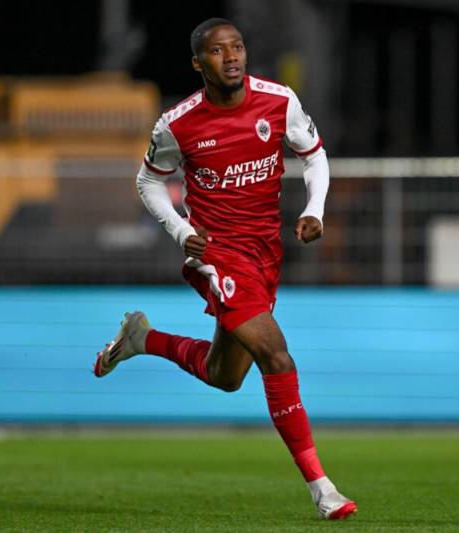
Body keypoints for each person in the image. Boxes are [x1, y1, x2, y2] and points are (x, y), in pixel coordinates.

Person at [94, 18, 357, 520]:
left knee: (225, 376)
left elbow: (314, 155)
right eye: (218, 51)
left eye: (237, 47)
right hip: (216, 255)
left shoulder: (279, 101)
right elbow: (148, 182)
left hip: (263, 255)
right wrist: (180, 231)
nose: (231, 56)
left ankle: (143, 339)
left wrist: (314, 209)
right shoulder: (178, 123)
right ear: (199, 63)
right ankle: (323, 489)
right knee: (276, 356)